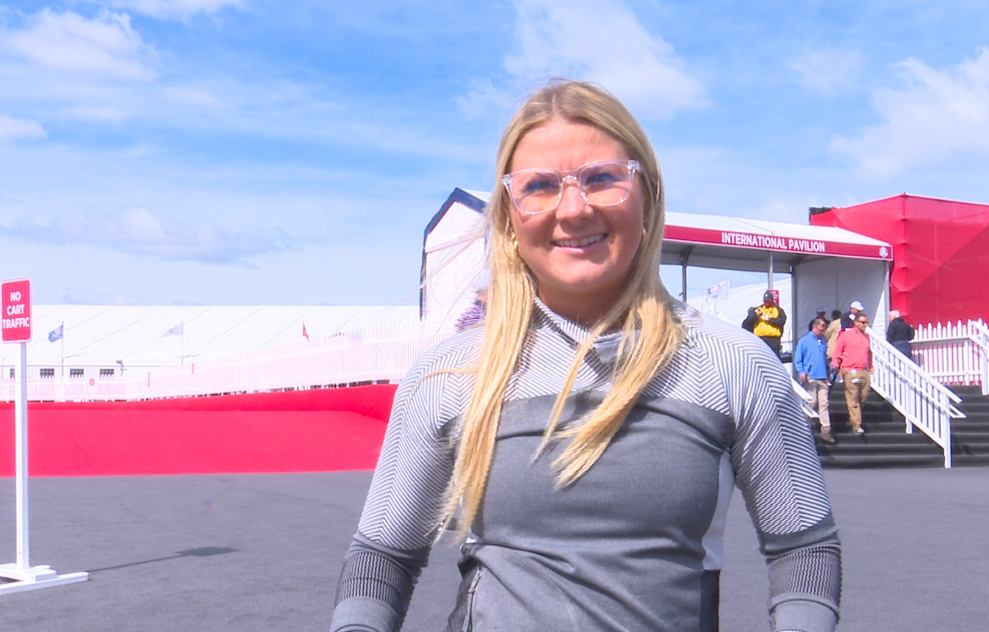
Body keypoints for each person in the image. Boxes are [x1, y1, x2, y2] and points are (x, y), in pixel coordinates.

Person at [330, 80, 842, 632]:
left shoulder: (732, 365)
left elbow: (804, 551)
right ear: (509, 216)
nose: (573, 209)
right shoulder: (450, 374)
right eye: (541, 186)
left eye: (601, 178)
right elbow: (382, 558)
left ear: (647, 195)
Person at [830, 314, 873, 435]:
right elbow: (837, 350)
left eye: (866, 322)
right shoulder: (845, 335)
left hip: (864, 370)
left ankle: (854, 417)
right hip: (850, 369)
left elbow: (869, 353)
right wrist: (836, 364)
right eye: (863, 322)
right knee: (853, 396)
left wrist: (871, 365)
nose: (865, 325)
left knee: (863, 396)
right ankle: (857, 424)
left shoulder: (866, 337)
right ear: (856, 323)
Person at [795, 317, 834, 444]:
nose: (823, 331)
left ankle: (826, 429)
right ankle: (805, 427)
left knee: (824, 403)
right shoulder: (804, 341)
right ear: (815, 327)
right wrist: (801, 371)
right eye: (822, 328)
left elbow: (825, 359)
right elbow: (798, 359)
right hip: (810, 376)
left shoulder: (823, 341)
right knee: (812, 402)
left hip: (822, 376)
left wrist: (828, 373)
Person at [742, 290, 788, 356]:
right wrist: (755, 316)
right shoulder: (758, 309)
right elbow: (746, 324)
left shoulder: (778, 310)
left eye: (768, 301)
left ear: (772, 300)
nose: (766, 303)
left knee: (773, 358)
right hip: (759, 339)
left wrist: (771, 320)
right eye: (765, 301)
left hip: (773, 340)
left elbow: (782, 320)